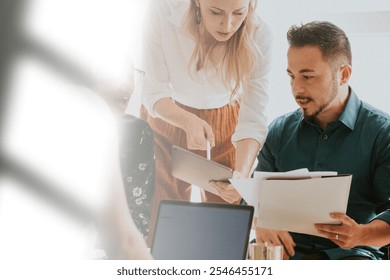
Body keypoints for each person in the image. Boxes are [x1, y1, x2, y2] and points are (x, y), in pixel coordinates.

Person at [139, 0, 272, 244]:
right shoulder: (161, 9)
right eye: (216, 12)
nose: (228, 24)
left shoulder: (260, 35)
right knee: (160, 226)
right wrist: (186, 120)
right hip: (168, 116)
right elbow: (153, 93)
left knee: (226, 229)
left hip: (229, 125)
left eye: (239, 13)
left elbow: (253, 119)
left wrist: (242, 175)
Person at [255, 21, 390, 260]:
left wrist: (360, 234)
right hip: (284, 254)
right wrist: (259, 219)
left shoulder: (381, 133)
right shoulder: (278, 131)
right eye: (292, 76)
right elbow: (256, 194)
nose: (297, 89)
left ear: (344, 74)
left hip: (352, 257)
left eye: (308, 76)